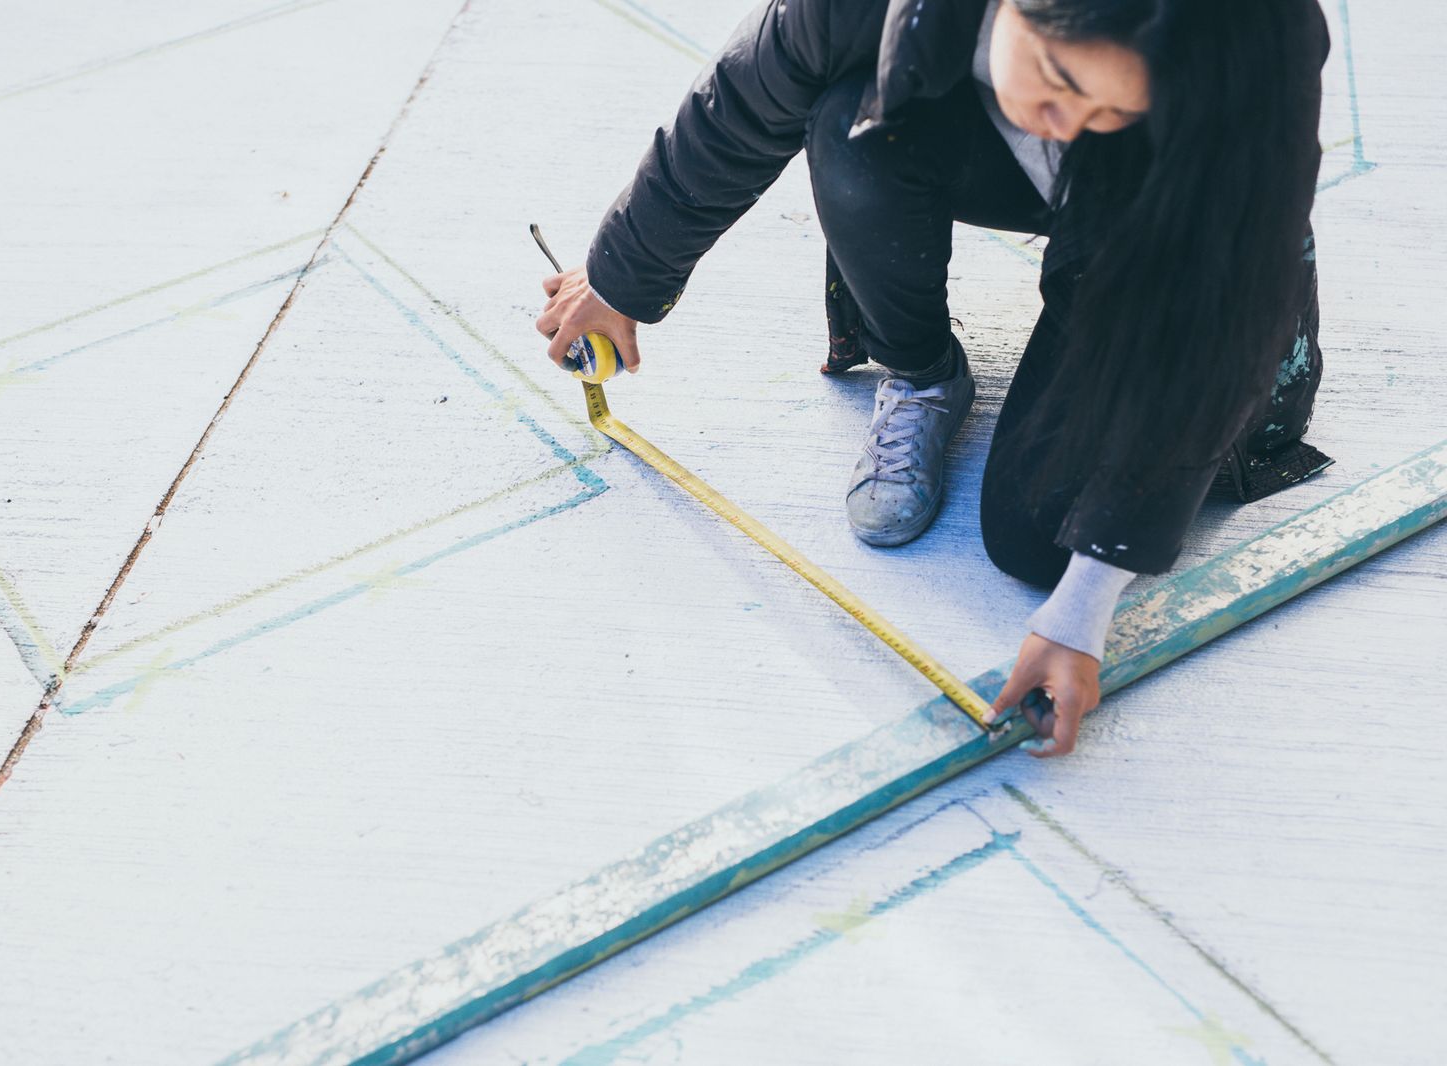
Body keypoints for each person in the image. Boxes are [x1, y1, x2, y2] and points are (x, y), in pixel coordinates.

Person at [535, 0, 1332, 756]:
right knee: (847, 123)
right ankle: (921, 372)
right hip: (981, 141)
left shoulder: (1258, 49)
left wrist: (1083, 611)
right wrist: (618, 281)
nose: (1069, 122)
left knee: (1039, 536)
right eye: (1057, 76)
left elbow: (1210, 348)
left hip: (1160, 221)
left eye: (1109, 107)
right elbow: (741, 104)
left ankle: (1144, 227)